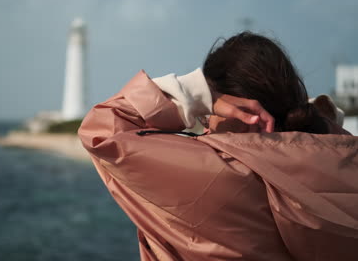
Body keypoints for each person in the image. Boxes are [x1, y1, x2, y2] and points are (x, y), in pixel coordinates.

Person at [78, 32, 358, 261]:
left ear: (247, 114)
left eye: (205, 114)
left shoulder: (218, 173)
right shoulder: (345, 164)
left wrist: (200, 94)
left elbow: (101, 130)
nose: (205, 125)